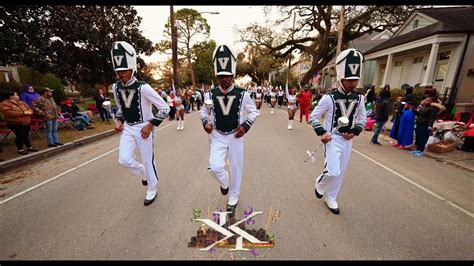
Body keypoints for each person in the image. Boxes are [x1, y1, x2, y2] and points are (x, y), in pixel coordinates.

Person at [110, 41, 170, 206]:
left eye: (123, 71)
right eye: (118, 71)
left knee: (147, 159)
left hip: (144, 127)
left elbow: (165, 108)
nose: (120, 74)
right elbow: (121, 108)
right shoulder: (115, 88)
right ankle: (143, 172)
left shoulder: (143, 88)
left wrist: (150, 125)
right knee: (124, 159)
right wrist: (119, 120)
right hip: (129, 128)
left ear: (131, 69)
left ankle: (152, 188)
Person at [200, 44, 258, 215]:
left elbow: (253, 112)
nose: (224, 79)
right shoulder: (210, 94)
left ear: (233, 75)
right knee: (215, 167)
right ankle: (225, 183)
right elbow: (204, 111)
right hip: (217, 135)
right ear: (217, 76)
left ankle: (233, 197)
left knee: (236, 167)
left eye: (227, 76)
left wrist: (245, 127)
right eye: (220, 76)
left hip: (235, 135)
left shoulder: (243, 94)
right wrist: (205, 123)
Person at [309, 48, 367, 215]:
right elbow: (313, 117)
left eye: (356, 80)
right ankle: (320, 183)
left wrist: (355, 131)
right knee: (333, 170)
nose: (353, 84)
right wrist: (322, 132)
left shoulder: (360, 98)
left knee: (341, 171)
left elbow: (362, 119)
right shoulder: (329, 98)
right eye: (350, 80)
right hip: (333, 139)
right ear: (342, 78)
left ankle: (331, 197)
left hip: (348, 140)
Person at [0, 90, 39, 154]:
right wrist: (24, 113)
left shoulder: (21, 102)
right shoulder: (4, 104)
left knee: (25, 135)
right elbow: (9, 113)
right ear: (11, 96)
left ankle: (30, 147)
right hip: (16, 123)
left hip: (26, 122)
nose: (18, 96)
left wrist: (30, 111)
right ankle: (20, 149)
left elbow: (29, 108)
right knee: (20, 136)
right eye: (16, 95)